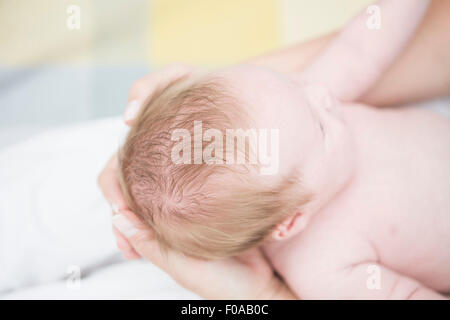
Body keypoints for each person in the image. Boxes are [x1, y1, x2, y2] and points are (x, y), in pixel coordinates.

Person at [98, 0, 450, 299]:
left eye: (293, 83)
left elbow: (364, 43)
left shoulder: (305, 108)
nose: (324, 94)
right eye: (322, 128)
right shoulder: (322, 266)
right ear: (292, 222)